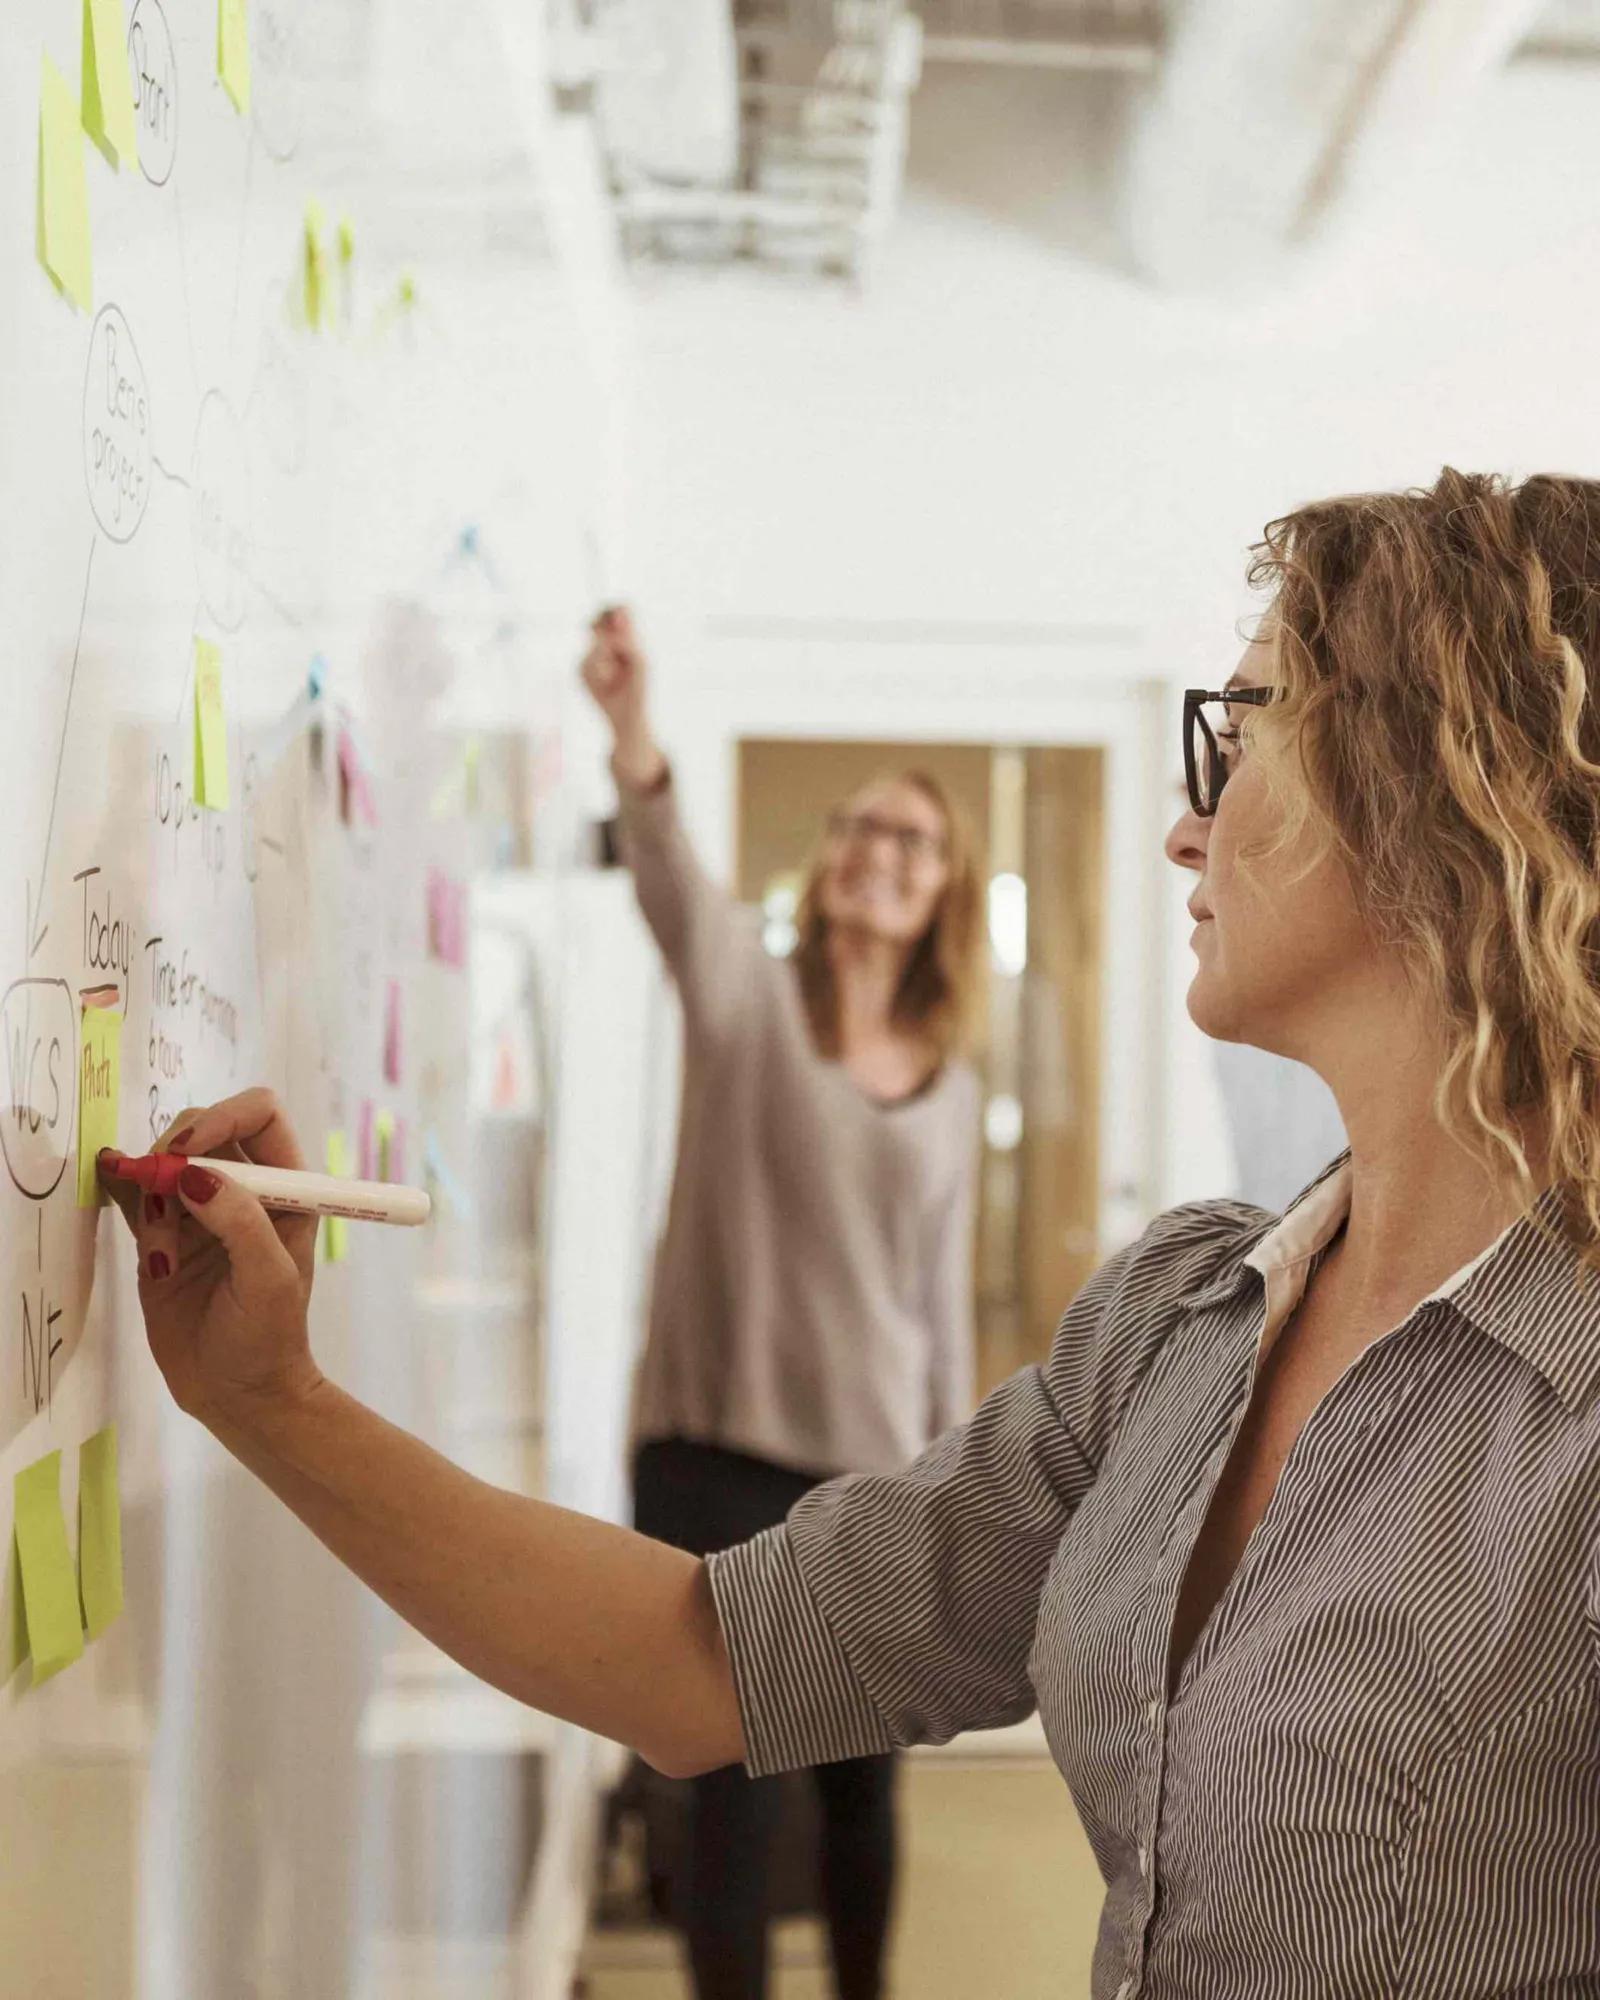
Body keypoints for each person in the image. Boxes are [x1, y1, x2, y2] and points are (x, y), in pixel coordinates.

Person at [105, 467, 1600, 1998]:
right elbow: (699, 1660)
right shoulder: (1181, 1316)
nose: (1182, 828)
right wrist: (267, 1397)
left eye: (1240, 730)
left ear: (1440, 780)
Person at [580, 608, 985, 1998]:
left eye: (913, 842)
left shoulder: (952, 1088)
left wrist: (952, 1490)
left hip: (872, 1481)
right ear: (827, 864)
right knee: (734, 1799)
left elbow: (935, 1311)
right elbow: (669, 881)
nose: (880, 853)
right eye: (860, 830)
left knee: (863, 1796)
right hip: (712, 1460)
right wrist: (632, 729)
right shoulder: (745, 1003)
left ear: (943, 892)